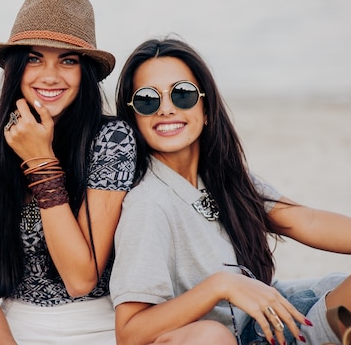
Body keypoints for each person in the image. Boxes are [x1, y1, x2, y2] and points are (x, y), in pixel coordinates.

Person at [110, 37, 351, 345]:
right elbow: (130, 333)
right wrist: (219, 286)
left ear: (207, 107)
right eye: (147, 99)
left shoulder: (224, 176)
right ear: (133, 117)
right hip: (219, 339)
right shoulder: (147, 204)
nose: (166, 109)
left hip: (276, 321)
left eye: (182, 94)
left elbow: (304, 220)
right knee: (211, 335)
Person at [0, 0, 137, 345]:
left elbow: (80, 278)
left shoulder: (112, 140)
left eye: (68, 60)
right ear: (16, 68)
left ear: (85, 71)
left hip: (100, 326)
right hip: (11, 330)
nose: (50, 76)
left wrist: (41, 162)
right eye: (35, 59)